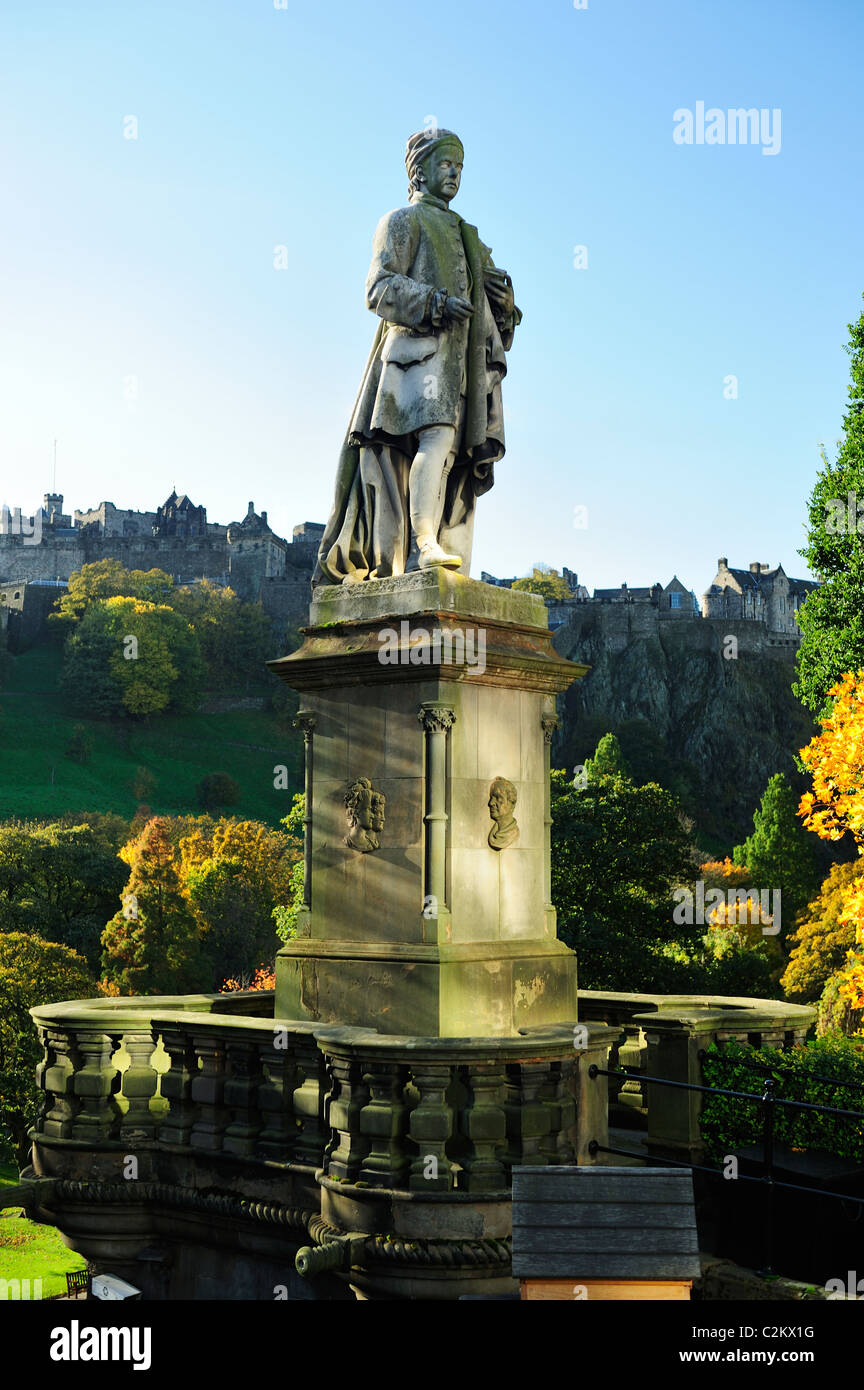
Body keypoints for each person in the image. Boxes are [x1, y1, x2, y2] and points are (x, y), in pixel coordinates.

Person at [313, 127, 521, 587]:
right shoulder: (402, 221)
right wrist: (434, 302)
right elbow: (378, 287)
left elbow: (498, 311)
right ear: (419, 171)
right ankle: (423, 542)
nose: (454, 174)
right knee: (437, 441)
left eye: (460, 167)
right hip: (415, 357)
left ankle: (431, 544)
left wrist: (504, 300)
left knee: (449, 456)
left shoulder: (469, 236)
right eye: (445, 164)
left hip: (460, 362)